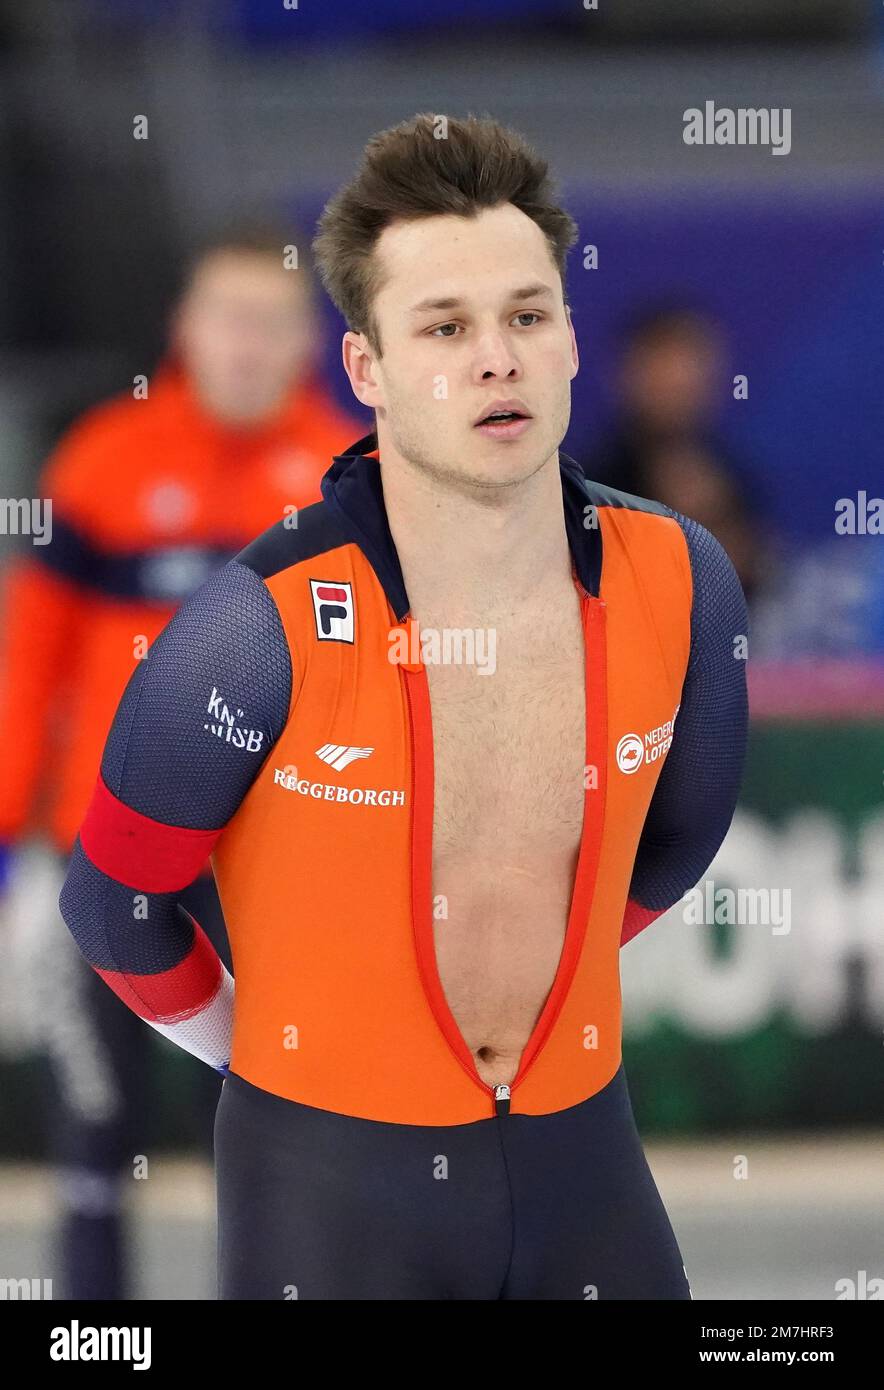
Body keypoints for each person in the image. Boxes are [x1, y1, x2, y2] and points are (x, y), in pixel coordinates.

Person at [58, 114, 748, 1300]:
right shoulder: (255, 625)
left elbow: (680, 838)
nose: (497, 357)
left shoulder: (681, 579)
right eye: (445, 326)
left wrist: (553, 967)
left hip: (580, 1158)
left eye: (528, 314)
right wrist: (268, 1050)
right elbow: (114, 903)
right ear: (366, 369)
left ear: (571, 338)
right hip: (324, 1186)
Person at [0, 218, 364, 1299]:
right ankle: (90, 1331)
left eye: (272, 322)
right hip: (108, 864)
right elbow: (31, 670)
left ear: (310, 338)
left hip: (278, 875)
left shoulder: (350, 479)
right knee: (96, 1131)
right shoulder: (103, 460)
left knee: (277, 1133)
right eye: (229, 318)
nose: (248, 345)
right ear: (186, 329)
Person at [585, 303, 764, 603]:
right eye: (662, 366)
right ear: (628, 374)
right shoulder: (587, 485)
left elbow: (753, 582)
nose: (677, 382)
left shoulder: (731, 480)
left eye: (689, 365)